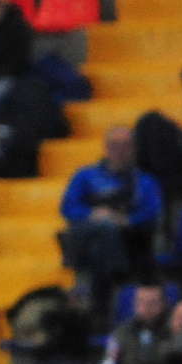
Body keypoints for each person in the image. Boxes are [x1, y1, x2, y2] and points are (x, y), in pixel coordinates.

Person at [58, 126, 163, 314]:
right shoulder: (85, 176)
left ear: (134, 149)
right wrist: (92, 214)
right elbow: (68, 207)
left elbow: (152, 212)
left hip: (129, 241)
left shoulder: (145, 181)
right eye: (115, 145)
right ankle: (111, 277)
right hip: (92, 235)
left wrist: (126, 220)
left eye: (126, 145)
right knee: (99, 232)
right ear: (106, 147)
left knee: (104, 235)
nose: (120, 151)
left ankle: (90, 293)